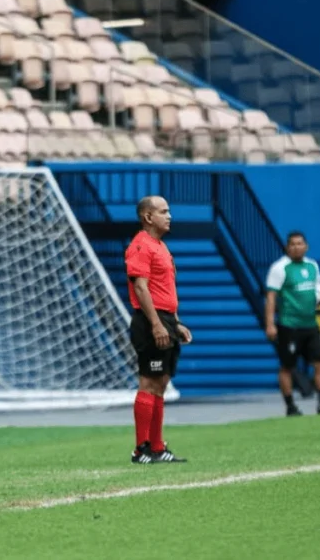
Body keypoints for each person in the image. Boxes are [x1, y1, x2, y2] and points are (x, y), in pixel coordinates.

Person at [124, 196, 191, 464]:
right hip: (150, 320)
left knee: (161, 383)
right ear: (148, 217)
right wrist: (156, 324)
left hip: (166, 320)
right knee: (149, 382)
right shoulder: (141, 245)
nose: (169, 216)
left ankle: (157, 446)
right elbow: (141, 288)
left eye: (169, 211)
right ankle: (141, 448)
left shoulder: (161, 246)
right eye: (163, 211)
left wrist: (176, 322)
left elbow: (165, 290)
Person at [265, 232, 320, 417]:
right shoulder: (280, 268)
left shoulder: (312, 265)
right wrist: (270, 324)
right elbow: (271, 297)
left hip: (311, 325)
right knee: (287, 367)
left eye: (300, 244)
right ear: (287, 247)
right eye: (292, 244)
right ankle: (291, 406)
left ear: (306, 246)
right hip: (289, 326)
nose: (296, 247)